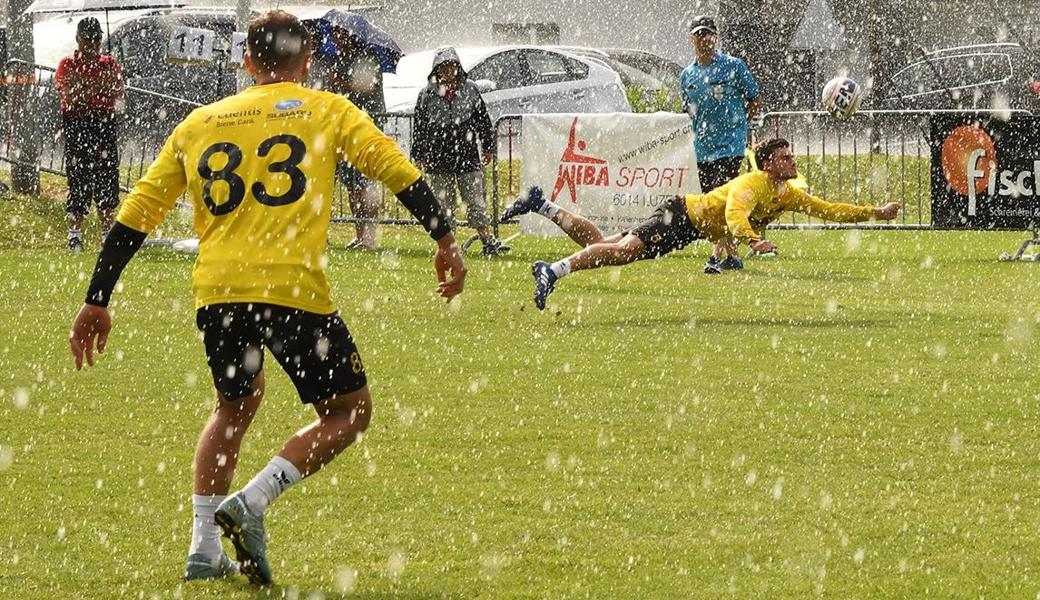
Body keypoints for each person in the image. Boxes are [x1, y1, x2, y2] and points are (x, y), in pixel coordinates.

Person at [67, 10, 466, 586]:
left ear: (247, 61)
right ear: (306, 61)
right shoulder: (328, 110)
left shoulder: (200, 123)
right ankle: (252, 502)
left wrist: (97, 298)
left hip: (219, 292)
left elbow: (136, 214)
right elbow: (395, 169)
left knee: (233, 405)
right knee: (350, 412)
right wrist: (445, 238)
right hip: (292, 289)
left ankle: (204, 547)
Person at [501, 138, 900, 310]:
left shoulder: (788, 192)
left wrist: (874, 213)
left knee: (606, 245)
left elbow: (829, 209)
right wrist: (751, 240)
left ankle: (544, 205)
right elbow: (733, 215)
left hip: (686, 223)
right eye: (787, 157)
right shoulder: (752, 183)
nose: (793, 162)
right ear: (771, 164)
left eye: (792, 157)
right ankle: (551, 271)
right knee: (620, 253)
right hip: (682, 216)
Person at [679, 14, 762, 274]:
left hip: (729, 147)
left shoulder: (733, 66)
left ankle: (714, 258)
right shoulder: (687, 75)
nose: (705, 39)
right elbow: (687, 111)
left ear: (715, 36)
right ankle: (733, 256)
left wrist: (738, 125)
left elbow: (754, 98)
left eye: (709, 34)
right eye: (700, 34)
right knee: (712, 205)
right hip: (703, 149)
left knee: (724, 201)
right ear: (692, 38)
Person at [413, 47, 510, 256]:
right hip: (438, 158)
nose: (448, 71)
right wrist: (418, 154)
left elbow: (482, 121)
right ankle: (449, 246)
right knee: (442, 205)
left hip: (467, 156)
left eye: (451, 66)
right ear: (436, 70)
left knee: (475, 201)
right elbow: (420, 127)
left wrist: (487, 147)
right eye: (443, 67)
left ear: (458, 68)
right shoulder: (426, 94)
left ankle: (488, 241)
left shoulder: (470, 90)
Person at [54, 17, 124, 252]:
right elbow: (70, 97)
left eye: (97, 40)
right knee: (78, 178)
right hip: (78, 125)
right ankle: (75, 235)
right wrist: (97, 87)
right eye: (88, 40)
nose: (93, 45)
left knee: (106, 178)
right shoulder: (67, 64)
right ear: (78, 40)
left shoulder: (109, 64)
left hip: (104, 124)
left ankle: (107, 233)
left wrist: (83, 86)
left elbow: (117, 90)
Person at [318, 18, 387, 250]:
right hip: (345, 130)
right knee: (351, 185)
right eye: (335, 34)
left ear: (351, 35)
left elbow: (368, 86)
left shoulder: (367, 58)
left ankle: (370, 236)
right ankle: (359, 235)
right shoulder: (337, 59)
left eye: (341, 34)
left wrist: (343, 83)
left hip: (367, 128)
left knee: (365, 185)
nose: (337, 39)